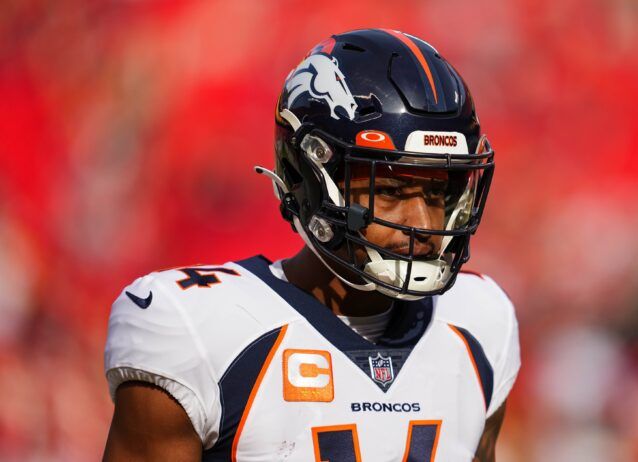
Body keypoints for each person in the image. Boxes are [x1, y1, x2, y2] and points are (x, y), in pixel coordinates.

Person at [102, 29, 520, 462]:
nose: (422, 224)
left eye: (436, 195)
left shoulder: (481, 322)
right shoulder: (195, 326)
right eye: (391, 191)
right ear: (310, 180)